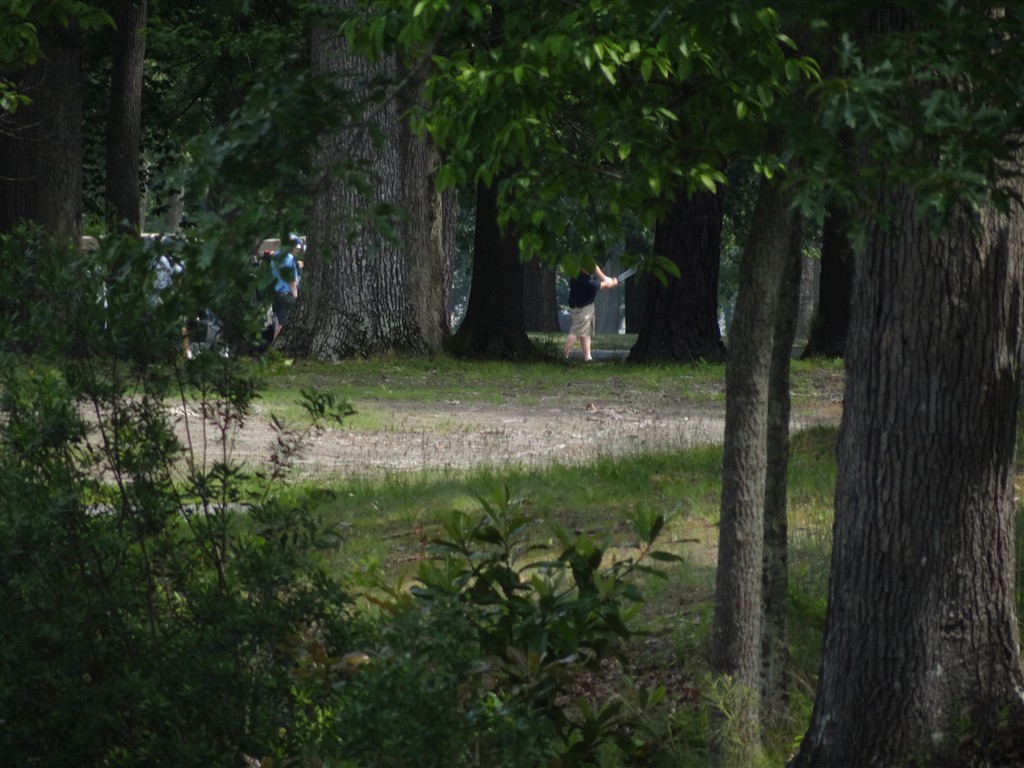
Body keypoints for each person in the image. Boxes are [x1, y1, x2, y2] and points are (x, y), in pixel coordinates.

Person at [563, 263, 618, 361]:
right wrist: (613, 282)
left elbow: (594, 267)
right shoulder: (587, 283)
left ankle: (587, 357)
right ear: (582, 269)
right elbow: (605, 286)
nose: (591, 269)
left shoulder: (578, 274)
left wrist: (605, 278)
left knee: (586, 333)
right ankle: (564, 355)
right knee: (575, 332)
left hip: (585, 306)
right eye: (588, 268)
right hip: (581, 309)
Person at [269, 235, 305, 340]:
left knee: (278, 323)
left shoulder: (276, 256)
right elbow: (292, 282)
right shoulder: (289, 259)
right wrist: (296, 297)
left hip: (276, 294)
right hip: (286, 295)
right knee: (283, 326)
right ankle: (274, 347)